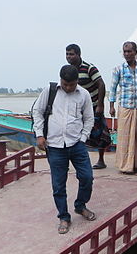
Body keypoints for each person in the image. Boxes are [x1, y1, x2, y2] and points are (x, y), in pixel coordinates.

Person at [32, 64, 96, 235]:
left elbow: (89, 119)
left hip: (76, 144)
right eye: (65, 84)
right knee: (58, 185)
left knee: (87, 177)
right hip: (54, 146)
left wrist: (83, 139)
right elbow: (37, 112)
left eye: (72, 84)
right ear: (61, 80)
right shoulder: (50, 90)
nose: (68, 87)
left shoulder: (83, 95)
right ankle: (64, 217)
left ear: (77, 82)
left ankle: (80, 206)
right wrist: (39, 134)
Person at [66, 44, 108, 169]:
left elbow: (101, 84)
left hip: (94, 105)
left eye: (71, 54)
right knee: (76, 131)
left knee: (100, 133)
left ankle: (101, 160)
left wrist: (100, 105)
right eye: (67, 54)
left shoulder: (89, 68)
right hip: (77, 108)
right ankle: (77, 159)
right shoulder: (69, 71)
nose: (69, 57)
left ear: (79, 55)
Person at [109, 41, 137, 174]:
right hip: (125, 107)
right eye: (125, 52)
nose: (127, 54)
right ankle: (125, 166)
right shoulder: (118, 69)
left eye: (129, 51)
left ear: (135, 52)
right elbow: (113, 89)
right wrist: (111, 106)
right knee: (124, 137)